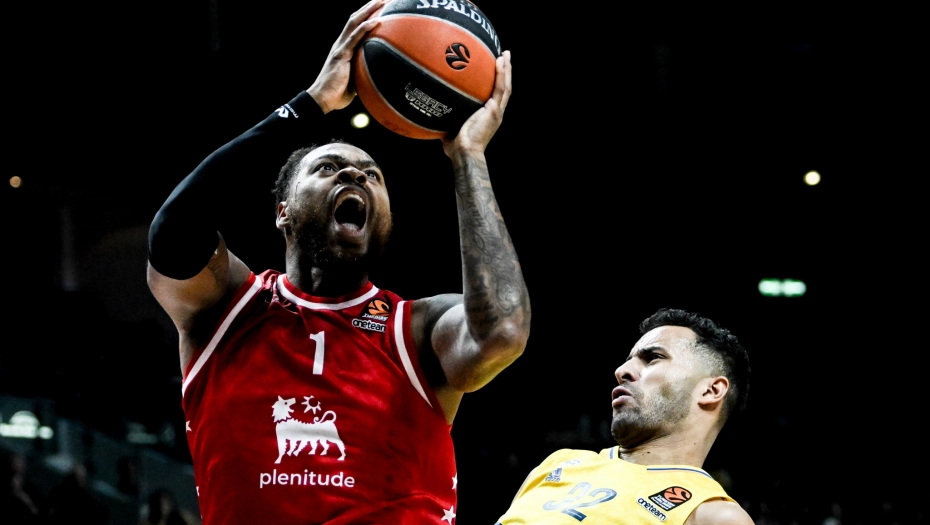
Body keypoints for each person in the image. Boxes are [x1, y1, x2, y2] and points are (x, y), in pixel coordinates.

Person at [146, 1, 529, 523]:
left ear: (387, 217)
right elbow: (173, 234)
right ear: (282, 211)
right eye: (327, 168)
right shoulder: (226, 307)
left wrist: (469, 158)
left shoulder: (417, 329)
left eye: (373, 176)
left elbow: (503, 330)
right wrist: (310, 104)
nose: (354, 176)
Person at [494, 309, 753, 525]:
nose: (621, 371)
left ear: (710, 391)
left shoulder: (713, 515)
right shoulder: (558, 463)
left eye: (653, 358)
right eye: (629, 360)